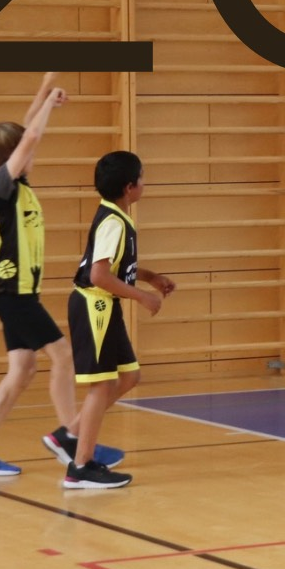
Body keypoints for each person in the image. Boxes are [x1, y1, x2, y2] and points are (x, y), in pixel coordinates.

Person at [0, 73, 124, 478]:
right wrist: (47, 104)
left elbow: (28, 132)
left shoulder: (18, 184)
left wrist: (44, 92)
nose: (35, 150)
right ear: (15, 155)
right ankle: (70, 438)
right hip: (10, 292)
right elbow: (29, 137)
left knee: (22, 370)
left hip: (18, 294)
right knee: (63, 356)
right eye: (27, 149)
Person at [65, 151, 175, 489]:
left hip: (105, 306)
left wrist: (149, 277)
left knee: (129, 376)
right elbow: (98, 275)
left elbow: (113, 267)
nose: (144, 183)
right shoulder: (113, 222)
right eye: (142, 178)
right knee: (102, 386)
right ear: (129, 187)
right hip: (94, 306)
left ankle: (71, 435)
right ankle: (80, 466)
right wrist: (142, 296)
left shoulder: (116, 216)